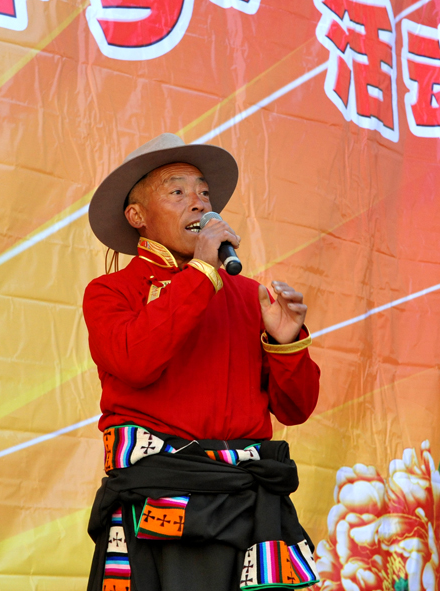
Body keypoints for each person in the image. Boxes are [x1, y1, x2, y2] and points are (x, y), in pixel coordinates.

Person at [83, 133, 321, 591]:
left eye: (204, 193)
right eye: (177, 191)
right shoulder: (111, 292)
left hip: (247, 501)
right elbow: (135, 361)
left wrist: (287, 343)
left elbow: (296, 409)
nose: (198, 203)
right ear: (137, 216)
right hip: (163, 501)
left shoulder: (248, 294)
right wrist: (202, 275)